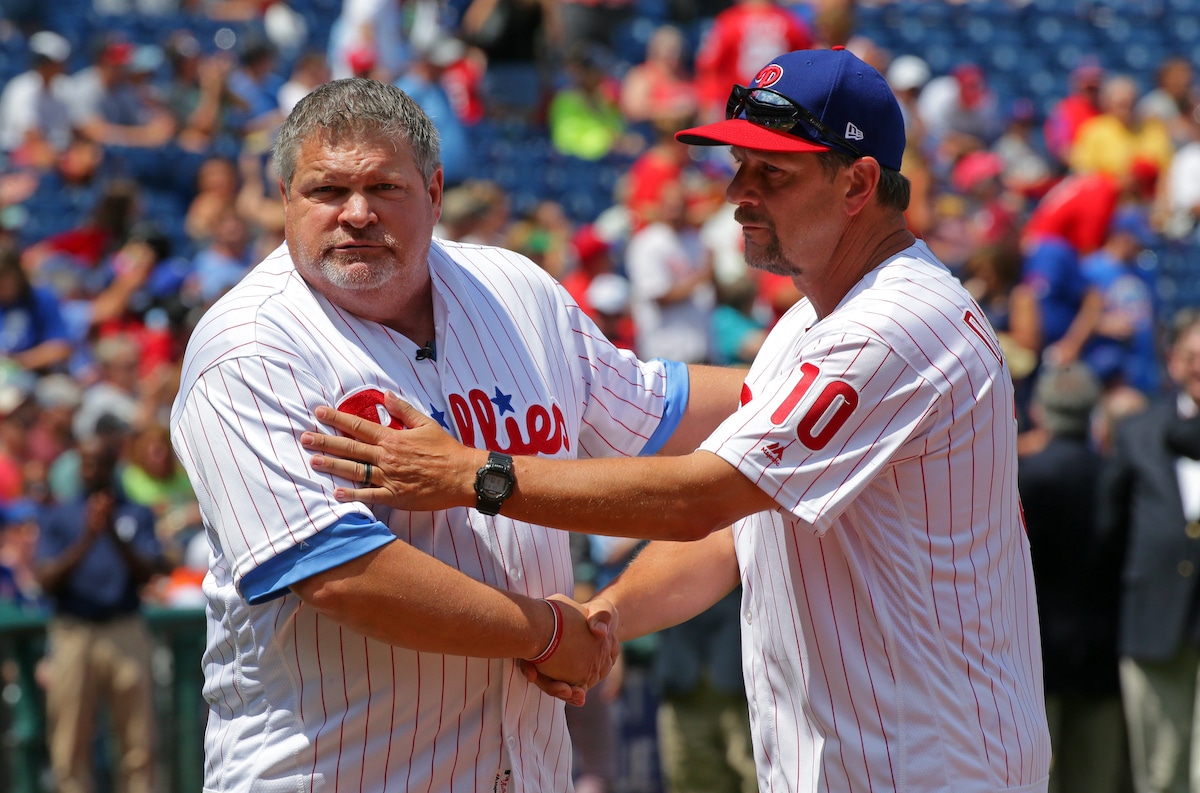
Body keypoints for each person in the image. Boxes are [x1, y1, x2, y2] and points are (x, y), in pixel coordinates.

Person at [302, 48, 1052, 792]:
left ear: (858, 182)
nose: (738, 193)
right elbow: (736, 534)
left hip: (936, 765)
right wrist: (603, 617)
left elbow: (701, 497)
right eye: (739, 166)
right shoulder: (810, 326)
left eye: (773, 174)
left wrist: (474, 475)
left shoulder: (897, 323)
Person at [168, 77, 739, 791]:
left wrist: (804, 378)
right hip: (335, 771)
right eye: (324, 190)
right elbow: (344, 577)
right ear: (284, 197)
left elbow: (655, 406)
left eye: (385, 187)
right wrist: (549, 633)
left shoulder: (513, 289)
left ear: (434, 191)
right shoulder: (250, 346)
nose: (355, 213)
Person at [1097, 311, 1200, 793]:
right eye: (1192, 356)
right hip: (1154, 620)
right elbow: (1109, 528)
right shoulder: (1138, 431)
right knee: (1160, 776)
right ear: (1173, 363)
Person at [1018, 362, 1128, 793]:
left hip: (1034, 656)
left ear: (1041, 412)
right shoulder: (1112, 475)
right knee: (1096, 777)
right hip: (1103, 651)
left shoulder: (1024, 475)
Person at [35, 433, 166, 793]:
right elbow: (44, 578)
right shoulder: (60, 515)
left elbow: (150, 571)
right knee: (69, 744)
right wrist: (88, 538)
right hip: (74, 632)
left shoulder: (135, 512)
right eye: (85, 463)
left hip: (125, 627)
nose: (89, 469)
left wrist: (110, 531)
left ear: (111, 466)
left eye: (97, 462)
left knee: (139, 743)